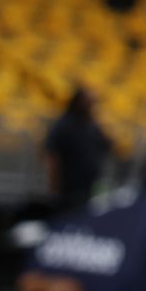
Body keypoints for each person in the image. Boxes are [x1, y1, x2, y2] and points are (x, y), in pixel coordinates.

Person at [42, 86, 112, 215]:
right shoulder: (64, 125)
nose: (91, 106)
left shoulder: (91, 125)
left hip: (90, 187)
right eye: (88, 102)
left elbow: (108, 145)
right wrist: (54, 185)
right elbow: (52, 155)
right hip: (68, 189)